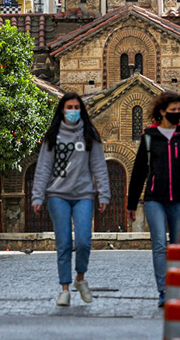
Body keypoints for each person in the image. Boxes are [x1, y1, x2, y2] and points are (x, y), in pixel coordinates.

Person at [31, 92, 110, 307]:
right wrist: (37, 196)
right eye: (69, 107)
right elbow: (43, 168)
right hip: (58, 196)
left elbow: (99, 166)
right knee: (63, 243)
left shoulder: (89, 135)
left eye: (77, 107)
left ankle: (80, 279)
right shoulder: (53, 136)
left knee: (84, 241)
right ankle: (64, 288)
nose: (73, 111)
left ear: (81, 110)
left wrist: (104, 193)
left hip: (84, 195)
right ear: (62, 110)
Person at [127, 92, 180, 308]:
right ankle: (163, 290)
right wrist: (131, 204)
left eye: (179, 110)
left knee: (177, 245)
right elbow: (139, 171)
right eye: (172, 111)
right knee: (159, 244)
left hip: (179, 199)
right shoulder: (149, 137)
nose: (177, 114)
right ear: (162, 111)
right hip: (154, 199)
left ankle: (177, 287)